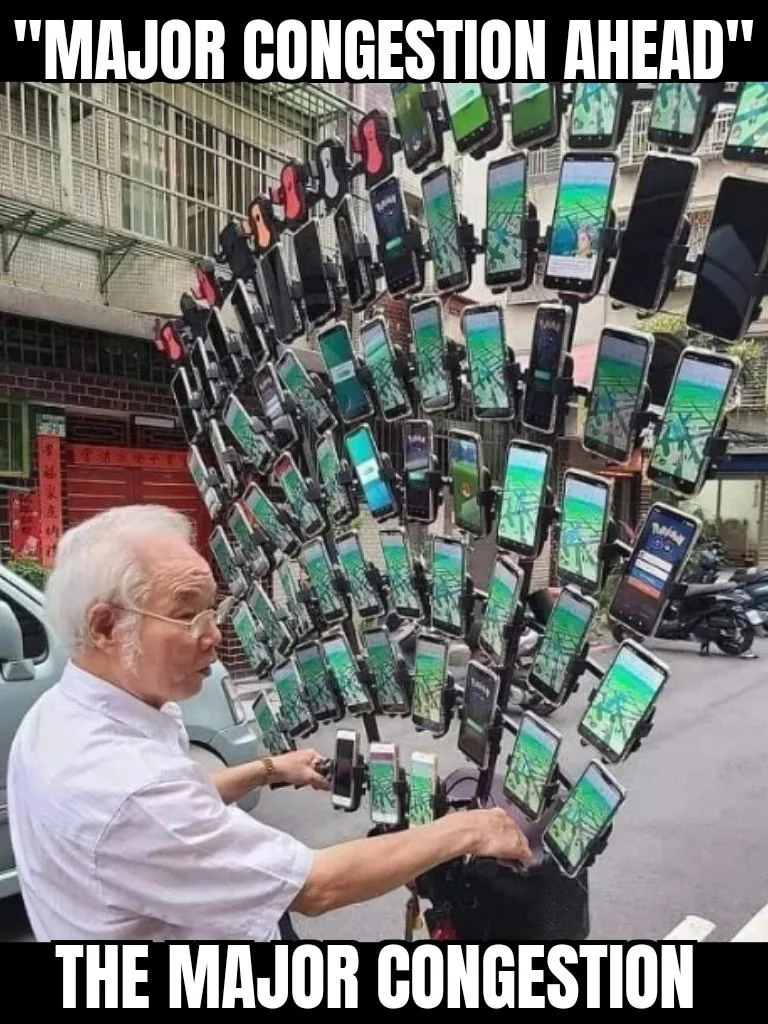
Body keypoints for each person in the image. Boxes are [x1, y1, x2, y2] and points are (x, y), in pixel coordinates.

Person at [7, 505, 532, 941]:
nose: (215, 635)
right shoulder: (128, 788)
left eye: (212, 610)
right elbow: (317, 886)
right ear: (105, 626)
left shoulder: (57, 717)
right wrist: (469, 828)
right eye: (188, 615)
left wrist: (268, 769)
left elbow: (175, 804)